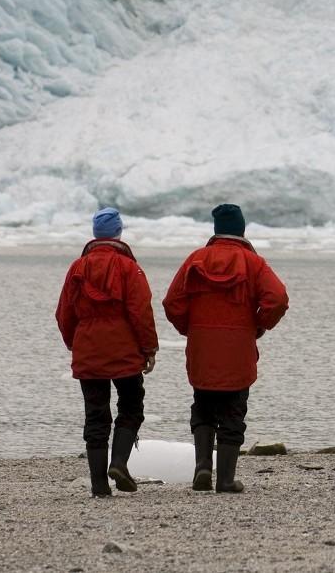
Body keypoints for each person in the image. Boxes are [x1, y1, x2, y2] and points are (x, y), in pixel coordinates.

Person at [163, 203, 289, 493]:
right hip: (238, 349)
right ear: (242, 230)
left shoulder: (196, 259)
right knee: (233, 412)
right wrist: (258, 325)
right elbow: (278, 299)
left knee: (203, 407)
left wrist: (190, 329)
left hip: (202, 348)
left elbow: (172, 303)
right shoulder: (253, 263)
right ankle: (226, 479)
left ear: (217, 230)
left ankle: (203, 468)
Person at [56, 207, 159, 497]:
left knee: (95, 415)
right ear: (118, 232)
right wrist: (149, 348)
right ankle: (119, 462)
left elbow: (64, 313)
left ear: (94, 234)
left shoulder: (77, 268)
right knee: (131, 405)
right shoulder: (129, 268)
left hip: (88, 348)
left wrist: (75, 344)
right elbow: (141, 311)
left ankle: (100, 484)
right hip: (124, 350)